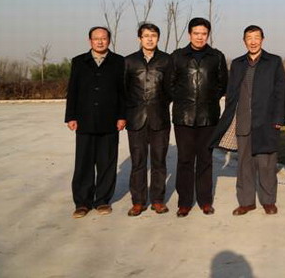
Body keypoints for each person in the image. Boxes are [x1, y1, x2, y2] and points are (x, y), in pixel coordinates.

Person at [210, 25, 285, 216]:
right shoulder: (237, 63)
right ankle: (246, 202)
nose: (253, 41)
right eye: (249, 38)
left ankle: (268, 201)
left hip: (266, 121)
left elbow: (280, 92)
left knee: (267, 164)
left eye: (256, 37)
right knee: (244, 164)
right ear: (244, 41)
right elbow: (231, 93)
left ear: (262, 39)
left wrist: (279, 118)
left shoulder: (274, 62)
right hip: (243, 120)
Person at [65, 26, 126, 218]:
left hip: (110, 120)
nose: (100, 41)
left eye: (104, 38)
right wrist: (71, 116)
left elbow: (123, 92)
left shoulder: (119, 61)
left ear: (109, 40)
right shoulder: (79, 61)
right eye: (96, 38)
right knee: (83, 163)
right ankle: (82, 202)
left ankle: (102, 200)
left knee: (107, 162)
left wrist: (122, 116)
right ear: (90, 40)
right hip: (84, 120)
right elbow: (72, 90)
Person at [170, 17, 228, 217]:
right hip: (183, 117)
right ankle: (184, 202)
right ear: (189, 34)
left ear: (208, 35)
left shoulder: (216, 57)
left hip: (207, 117)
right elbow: (170, 84)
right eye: (196, 33)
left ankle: (205, 201)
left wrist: (208, 99)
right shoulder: (177, 56)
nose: (200, 37)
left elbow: (222, 84)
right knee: (185, 160)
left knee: (205, 159)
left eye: (204, 33)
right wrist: (184, 100)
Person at [124, 23, 171, 216]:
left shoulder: (167, 60)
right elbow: (123, 90)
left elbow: (171, 88)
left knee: (159, 161)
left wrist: (161, 103)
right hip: (136, 119)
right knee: (138, 162)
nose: (150, 39)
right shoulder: (129, 61)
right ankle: (138, 201)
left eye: (153, 35)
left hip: (160, 117)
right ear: (139, 38)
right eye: (146, 36)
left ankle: (158, 200)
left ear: (158, 38)